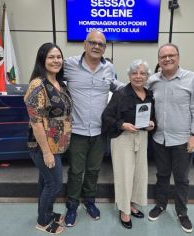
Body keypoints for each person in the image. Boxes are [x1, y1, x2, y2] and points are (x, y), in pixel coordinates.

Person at [63, 30, 124, 227]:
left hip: (99, 131)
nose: (97, 46)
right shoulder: (69, 65)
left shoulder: (109, 68)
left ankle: (89, 201)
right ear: (84, 44)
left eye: (101, 44)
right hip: (77, 131)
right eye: (93, 42)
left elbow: (118, 88)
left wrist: (141, 86)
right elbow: (51, 80)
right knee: (76, 171)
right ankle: (72, 204)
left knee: (93, 170)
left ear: (105, 48)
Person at [147, 43, 194, 233]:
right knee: (162, 175)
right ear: (159, 60)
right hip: (159, 138)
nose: (167, 59)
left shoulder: (191, 78)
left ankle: (182, 212)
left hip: (182, 140)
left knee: (181, 179)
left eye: (171, 55)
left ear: (178, 57)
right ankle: (161, 205)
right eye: (163, 56)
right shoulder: (153, 80)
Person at [24, 42, 72, 234]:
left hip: (57, 144)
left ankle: (47, 213)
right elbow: (36, 123)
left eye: (58, 57)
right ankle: (43, 222)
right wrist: (46, 152)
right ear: (42, 60)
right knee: (54, 184)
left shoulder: (59, 83)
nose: (56, 60)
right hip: (43, 145)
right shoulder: (37, 85)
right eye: (51, 57)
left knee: (45, 182)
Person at [102, 59, 155, 229]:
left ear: (147, 76)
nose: (138, 76)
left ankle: (132, 204)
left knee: (138, 174)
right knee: (124, 175)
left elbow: (152, 117)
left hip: (142, 137)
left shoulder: (149, 94)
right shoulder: (120, 94)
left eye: (142, 73)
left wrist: (152, 123)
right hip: (123, 138)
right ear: (129, 75)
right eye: (134, 73)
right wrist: (122, 125)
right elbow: (106, 117)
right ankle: (124, 210)